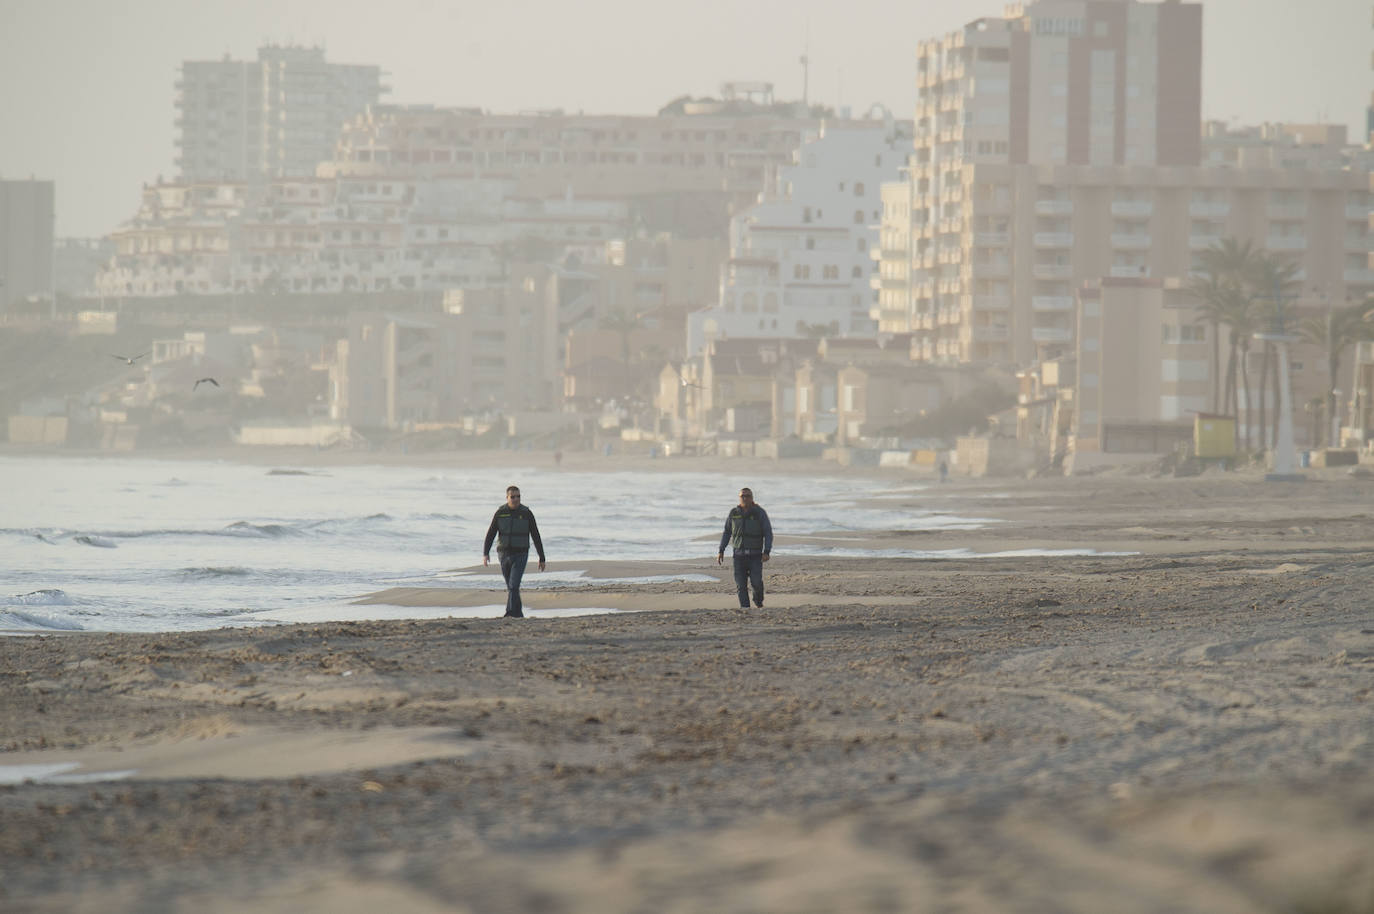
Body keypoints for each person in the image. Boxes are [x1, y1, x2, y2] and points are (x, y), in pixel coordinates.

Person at [482, 485, 546, 618]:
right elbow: (491, 533)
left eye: (518, 496)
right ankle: (519, 613)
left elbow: (535, 535)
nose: (516, 499)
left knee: (514, 584)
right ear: (507, 498)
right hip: (503, 554)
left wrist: (542, 557)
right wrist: (485, 553)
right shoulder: (500, 513)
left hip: (521, 554)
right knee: (512, 587)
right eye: (513, 497)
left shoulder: (526, 513)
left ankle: (510, 612)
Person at [717, 487, 773, 609]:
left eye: (747, 496)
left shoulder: (759, 512)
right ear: (739, 498)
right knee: (741, 585)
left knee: (756, 582)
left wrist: (767, 551)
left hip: (755, 555)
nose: (745, 498)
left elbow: (768, 532)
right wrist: (721, 550)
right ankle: (745, 608)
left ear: (752, 498)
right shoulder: (734, 513)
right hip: (738, 556)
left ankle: (758, 601)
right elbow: (727, 532)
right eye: (742, 496)